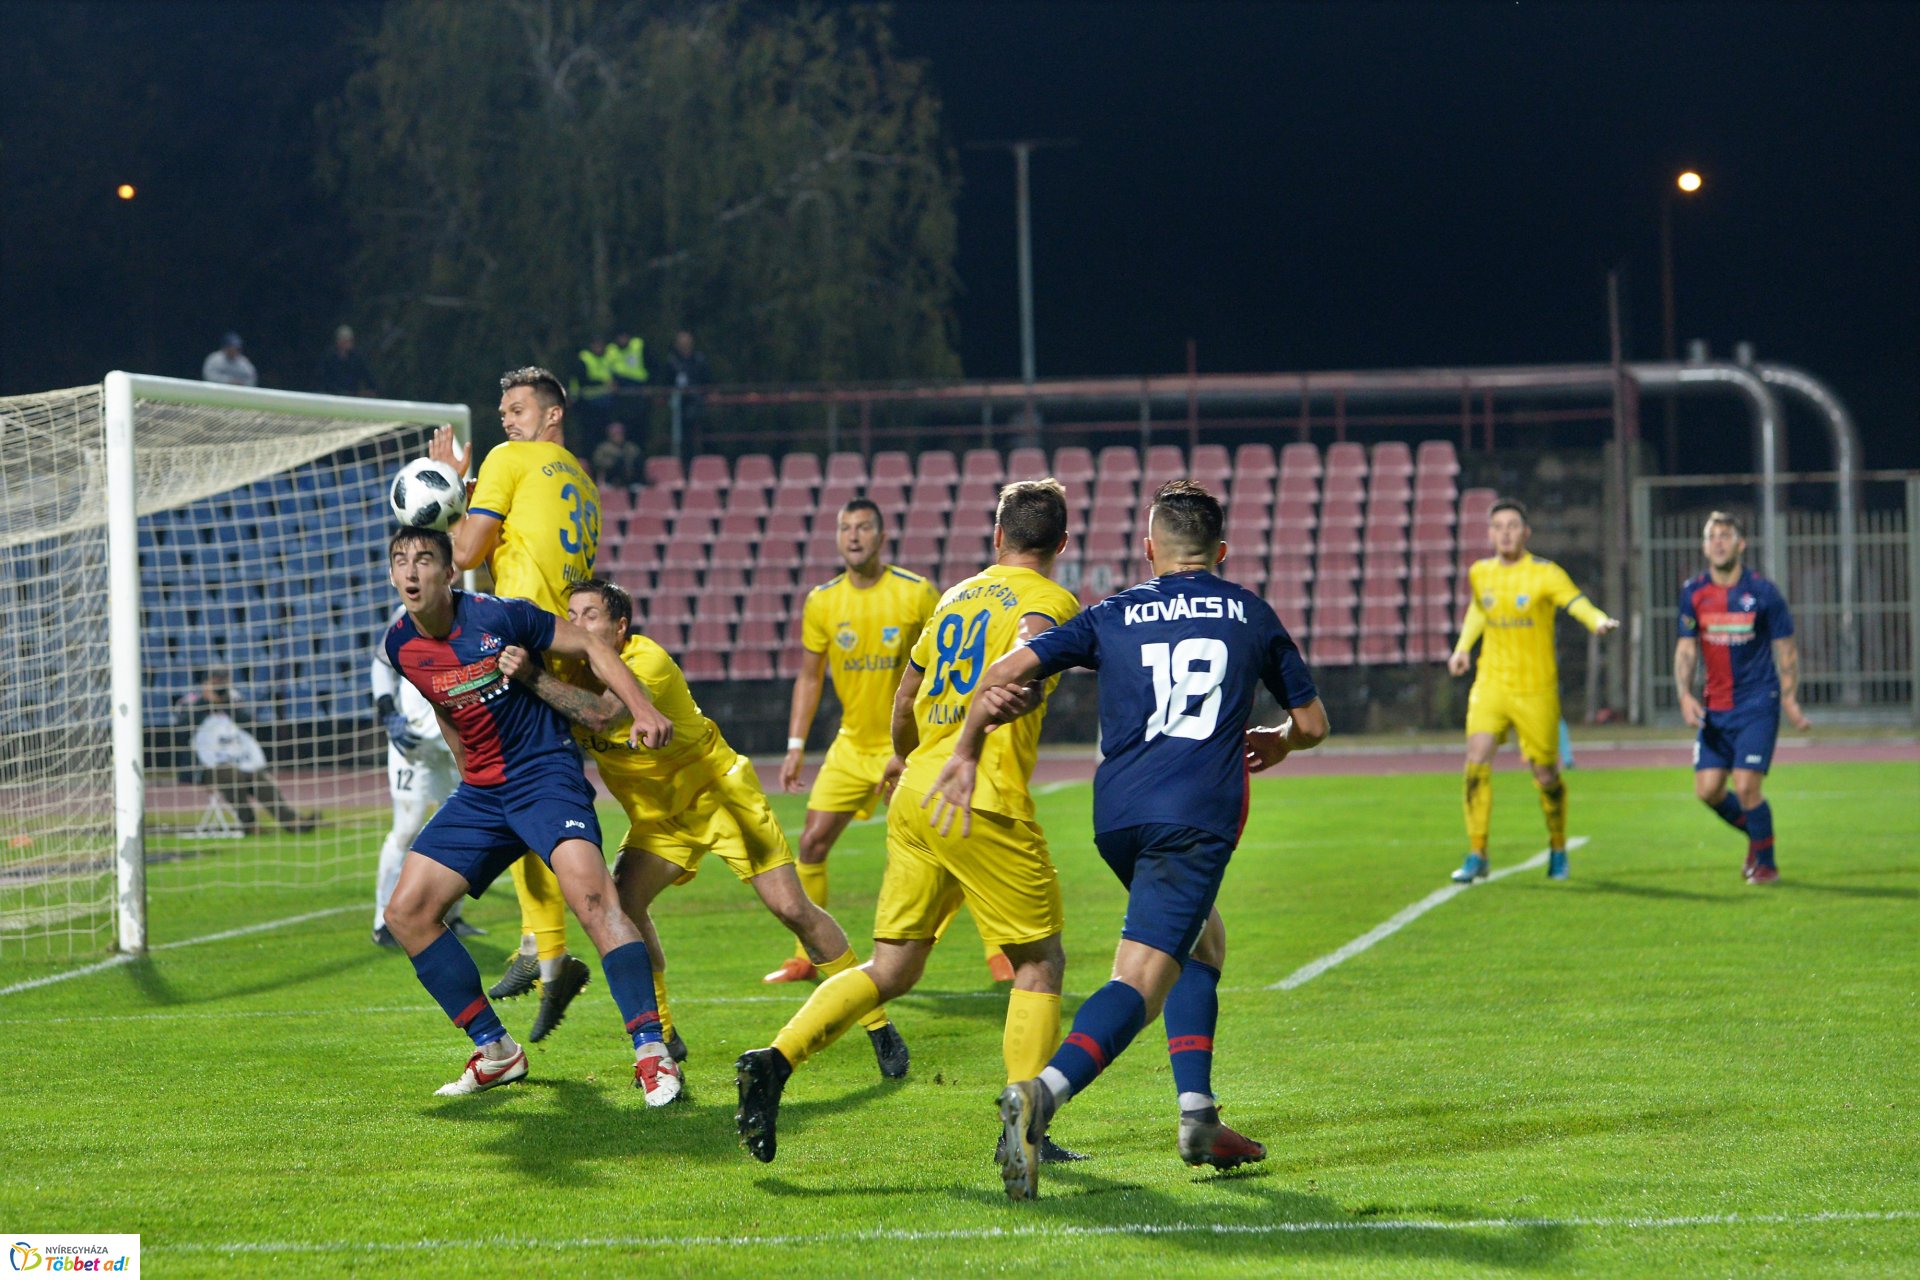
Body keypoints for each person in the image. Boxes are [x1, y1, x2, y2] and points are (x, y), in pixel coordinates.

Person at [919, 480, 1331, 1200]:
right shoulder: (1249, 612)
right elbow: (1315, 722)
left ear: (1149, 550)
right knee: (1139, 980)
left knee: (1204, 941)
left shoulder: (1112, 610)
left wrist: (968, 745)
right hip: (1193, 819)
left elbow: (1010, 670)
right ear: (1222, 550)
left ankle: (1198, 1117)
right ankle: (1040, 1097)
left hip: (1117, 816)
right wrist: (1284, 741)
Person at [735, 480, 1080, 1166]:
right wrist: (1029, 677)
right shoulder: (1050, 601)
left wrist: (900, 755)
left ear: (997, 536)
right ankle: (1024, 1133)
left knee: (892, 966)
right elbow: (1031, 648)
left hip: (917, 789)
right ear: (1061, 546)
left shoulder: (956, 595)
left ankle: (774, 1061)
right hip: (978, 794)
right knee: (1040, 963)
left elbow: (907, 690)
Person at [499, 577, 910, 1078]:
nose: (578, 624)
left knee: (792, 909)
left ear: (620, 626)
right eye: (572, 615)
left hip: (720, 797)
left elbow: (604, 717)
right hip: (660, 819)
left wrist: (532, 679)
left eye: (590, 615)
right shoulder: (568, 666)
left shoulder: (644, 660)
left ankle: (876, 1021)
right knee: (624, 906)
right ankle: (665, 1035)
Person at [380, 526, 684, 1102]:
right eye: (401, 562)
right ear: (393, 576)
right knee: (407, 913)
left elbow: (594, 647)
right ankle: (496, 1051)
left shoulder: (503, 616)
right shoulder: (400, 646)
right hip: (483, 793)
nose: (412, 571)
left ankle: (652, 1052)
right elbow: (442, 701)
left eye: (425, 559)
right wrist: (466, 767)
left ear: (451, 574)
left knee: (595, 900)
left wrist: (640, 708)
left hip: (544, 778)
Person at [427, 366, 602, 1041]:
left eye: (519, 406)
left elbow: (468, 549)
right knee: (533, 788)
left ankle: (552, 953)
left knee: (502, 784)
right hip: (566, 648)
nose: (505, 418)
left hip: (515, 645)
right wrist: (469, 488)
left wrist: (445, 497)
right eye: (502, 409)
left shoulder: (508, 459)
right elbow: (522, 535)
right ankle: (541, 945)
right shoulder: (582, 483)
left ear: (551, 414)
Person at [776, 499, 1008, 985]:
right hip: (850, 747)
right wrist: (796, 742)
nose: (853, 535)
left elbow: (948, 662)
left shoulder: (916, 593)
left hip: (908, 745)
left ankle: (999, 952)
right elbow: (810, 676)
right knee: (813, 842)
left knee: (953, 841)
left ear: (881, 538)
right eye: (845, 527)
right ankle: (806, 956)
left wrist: (929, 741)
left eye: (863, 527)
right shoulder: (822, 601)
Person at [1447, 499, 1619, 883]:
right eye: (1498, 526)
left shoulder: (1545, 573)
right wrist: (1462, 648)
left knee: (1545, 773)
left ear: (1526, 533)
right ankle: (1477, 852)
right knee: (1476, 760)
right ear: (1490, 533)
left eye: (1512, 526)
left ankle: (1557, 846)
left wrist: (1597, 621)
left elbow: (1574, 601)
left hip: (1535, 690)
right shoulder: (1480, 572)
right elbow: (1479, 610)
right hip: (1491, 683)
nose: (1505, 532)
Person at [1673, 511, 1811, 884]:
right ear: (1705, 546)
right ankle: (1757, 835)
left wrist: (1790, 697)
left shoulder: (1763, 593)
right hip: (1716, 708)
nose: (1719, 542)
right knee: (1708, 790)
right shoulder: (1693, 592)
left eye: (1726, 535)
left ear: (1740, 543)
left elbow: (1786, 650)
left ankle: (1766, 864)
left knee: (1747, 785)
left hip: (1757, 703)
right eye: (1712, 536)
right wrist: (1684, 695)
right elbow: (1686, 650)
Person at [369, 610, 475, 948]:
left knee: (465, 828)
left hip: (456, 743)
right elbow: (382, 664)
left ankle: (452, 914)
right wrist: (388, 713)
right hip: (413, 743)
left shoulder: (476, 612)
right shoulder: (408, 616)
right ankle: (383, 921)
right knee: (407, 827)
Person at [175, 667, 313, 834]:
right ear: (205, 683)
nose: (220, 686)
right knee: (231, 775)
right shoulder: (190, 702)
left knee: (258, 777)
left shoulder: (233, 700)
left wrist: (225, 703)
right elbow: (182, 731)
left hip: (238, 760)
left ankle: (292, 820)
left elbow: (250, 726)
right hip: (204, 766)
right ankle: (249, 824)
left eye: (223, 681)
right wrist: (205, 702)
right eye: (215, 682)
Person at [663, 329, 711, 446]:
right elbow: (665, 382)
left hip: (697, 402)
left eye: (686, 342)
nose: (684, 345)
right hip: (678, 404)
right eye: (681, 343)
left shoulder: (699, 360)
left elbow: (707, 379)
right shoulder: (671, 361)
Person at [317, 324, 378, 397]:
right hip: (332, 396)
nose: (349, 343)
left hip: (352, 396)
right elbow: (323, 380)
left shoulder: (357, 358)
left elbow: (367, 375)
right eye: (345, 340)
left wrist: (372, 389)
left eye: (350, 340)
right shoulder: (329, 357)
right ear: (338, 341)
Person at [590, 420, 643, 489]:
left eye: (620, 433)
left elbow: (637, 459)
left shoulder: (631, 447)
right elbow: (597, 462)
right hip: (611, 479)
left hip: (630, 479)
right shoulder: (603, 448)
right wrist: (614, 461)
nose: (618, 436)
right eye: (615, 433)